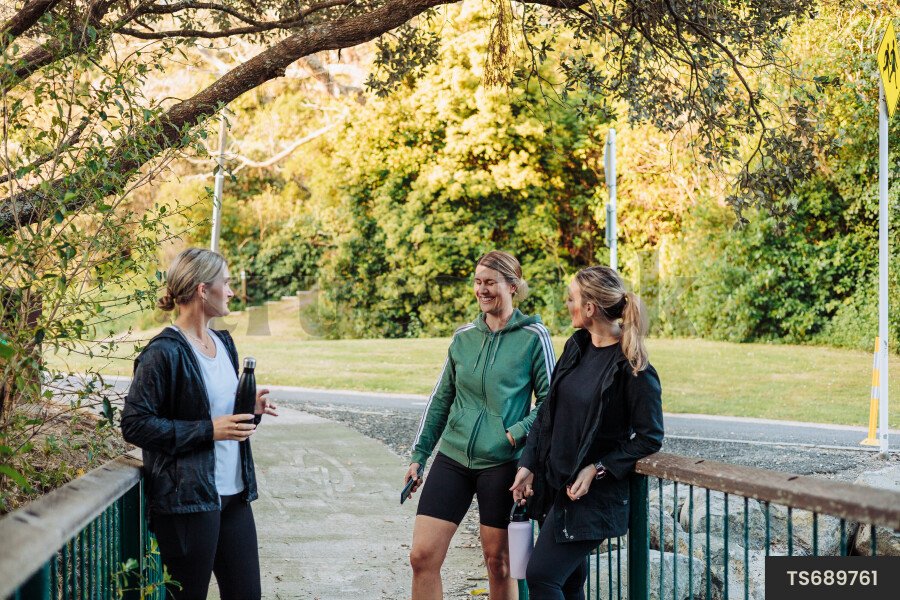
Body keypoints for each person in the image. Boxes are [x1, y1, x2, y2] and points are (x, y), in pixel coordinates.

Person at [121, 248, 278, 600]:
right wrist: (209, 430)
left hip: (235, 496)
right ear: (203, 290)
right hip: (189, 504)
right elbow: (135, 424)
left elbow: (225, 420)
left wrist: (250, 410)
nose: (232, 291)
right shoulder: (163, 352)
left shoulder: (224, 343)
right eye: (226, 282)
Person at [404, 251, 555, 600]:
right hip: (454, 457)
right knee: (421, 556)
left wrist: (515, 433)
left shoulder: (534, 336)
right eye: (477, 282)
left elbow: (552, 403)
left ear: (512, 286)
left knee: (498, 562)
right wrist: (420, 454)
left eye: (490, 282)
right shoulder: (463, 336)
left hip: (502, 463)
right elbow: (440, 399)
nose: (482, 290)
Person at [510, 266, 664, 600]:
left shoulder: (632, 367)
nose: (567, 305)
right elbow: (548, 412)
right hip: (553, 486)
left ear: (590, 308)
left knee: (541, 576)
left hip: (590, 498)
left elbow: (650, 436)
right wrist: (528, 464)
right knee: (566, 582)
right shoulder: (577, 346)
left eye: (571, 299)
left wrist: (598, 468)